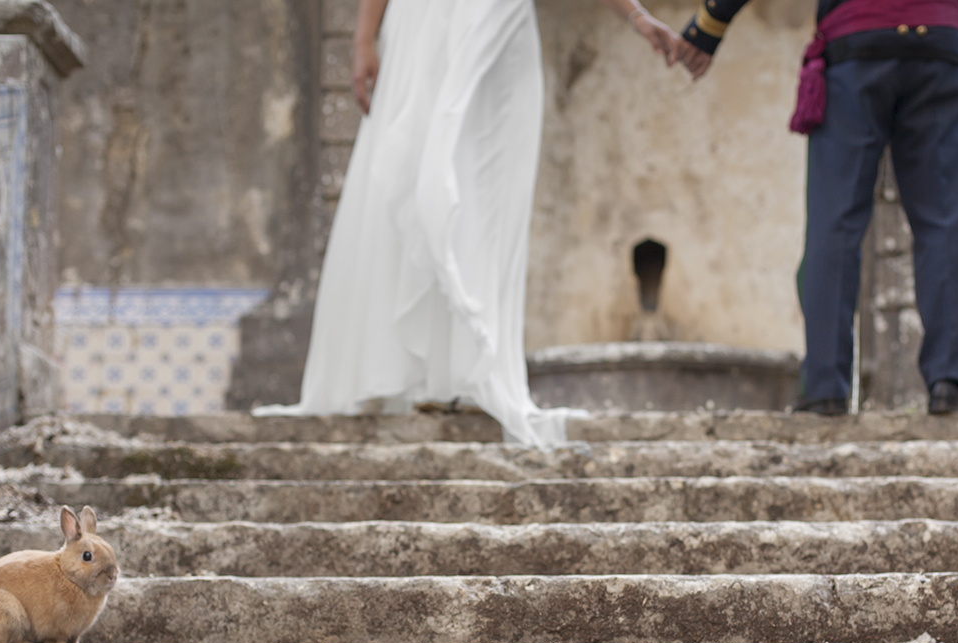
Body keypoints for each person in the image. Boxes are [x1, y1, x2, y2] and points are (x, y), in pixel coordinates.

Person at [255, 0, 681, 446]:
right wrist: (363, 39)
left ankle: (469, 373)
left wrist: (636, 16)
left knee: (492, 196)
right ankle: (414, 371)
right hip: (425, 27)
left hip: (501, 26)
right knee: (410, 179)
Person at [675, 0, 958, 415]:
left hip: (855, 44)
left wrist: (709, 25)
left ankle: (825, 387)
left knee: (834, 223)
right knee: (945, 222)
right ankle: (950, 382)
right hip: (938, 43)